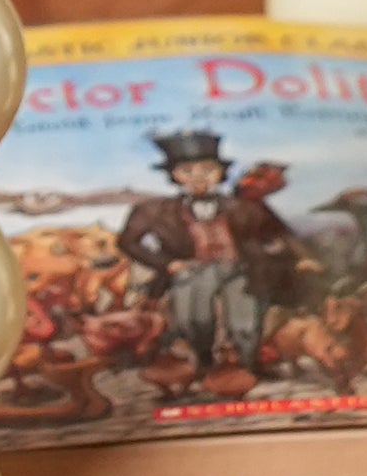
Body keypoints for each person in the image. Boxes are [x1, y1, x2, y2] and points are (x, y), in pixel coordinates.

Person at [115, 127, 310, 393]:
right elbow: (128, 242)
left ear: (220, 173)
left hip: (240, 270)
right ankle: (203, 364)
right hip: (191, 271)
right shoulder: (153, 211)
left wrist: (285, 255)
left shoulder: (245, 207)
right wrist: (167, 264)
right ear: (174, 175)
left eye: (207, 169)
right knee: (193, 320)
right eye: (187, 171)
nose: (199, 178)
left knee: (245, 323)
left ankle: (247, 366)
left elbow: (279, 235)